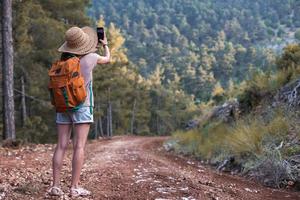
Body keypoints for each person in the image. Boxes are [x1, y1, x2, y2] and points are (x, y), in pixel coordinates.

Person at [47, 26, 110, 197]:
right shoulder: (92, 58)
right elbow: (108, 59)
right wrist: (104, 44)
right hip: (82, 105)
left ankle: (55, 186)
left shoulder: (62, 61)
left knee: (61, 145)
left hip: (63, 105)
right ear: (84, 43)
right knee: (79, 146)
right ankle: (74, 187)